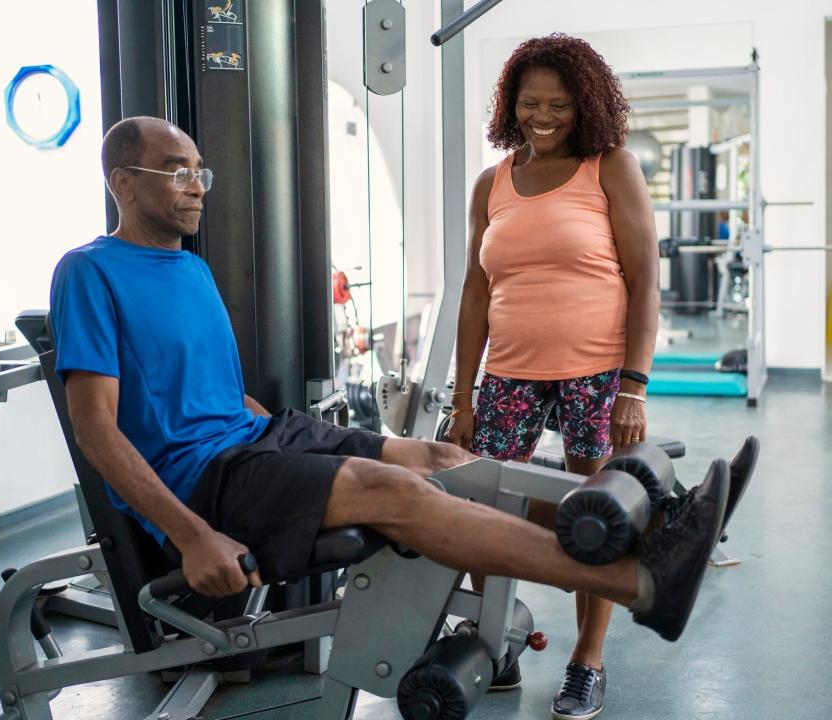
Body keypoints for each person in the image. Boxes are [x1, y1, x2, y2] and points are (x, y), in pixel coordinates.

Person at [48, 116, 729, 682]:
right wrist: (192, 535)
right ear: (122, 182)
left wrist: (281, 431)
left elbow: (206, 390)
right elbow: (96, 429)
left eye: (201, 169)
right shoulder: (88, 270)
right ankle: (640, 583)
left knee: (438, 457)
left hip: (256, 439)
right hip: (205, 480)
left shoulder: (190, 267)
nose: (198, 185)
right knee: (394, 492)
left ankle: (658, 527)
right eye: (178, 170)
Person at [443, 34, 658, 720]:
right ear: (510, 105)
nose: (544, 115)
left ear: (584, 103)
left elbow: (645, 279)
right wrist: (462, 396)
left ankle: (586, 662)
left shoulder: (610, 168)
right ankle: (500, 642)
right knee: (484, 506)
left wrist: (634, 384)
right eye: (530, 102)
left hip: (596, 371)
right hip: (509, 370)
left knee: (596, 518)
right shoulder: (493, 182)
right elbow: (476, 294)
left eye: (559, 104)